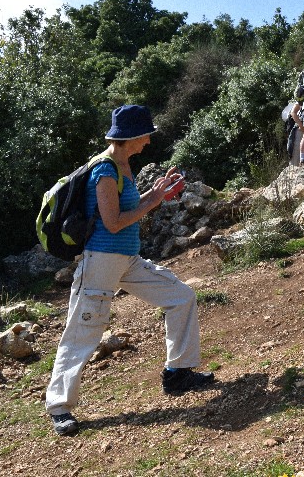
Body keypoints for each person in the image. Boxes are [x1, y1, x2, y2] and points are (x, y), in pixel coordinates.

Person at [46, 105, 213, 436]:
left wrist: (157, 192)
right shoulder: (105, 172)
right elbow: (113, 222)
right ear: (132, 137)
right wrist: (152, 203)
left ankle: (178, 373)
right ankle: (60, 407)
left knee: (182, 297)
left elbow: (129, 208)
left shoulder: (123, 166)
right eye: (146, 135)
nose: (149, 141)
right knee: (83, 332)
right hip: (101, 263)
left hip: (127, 260)